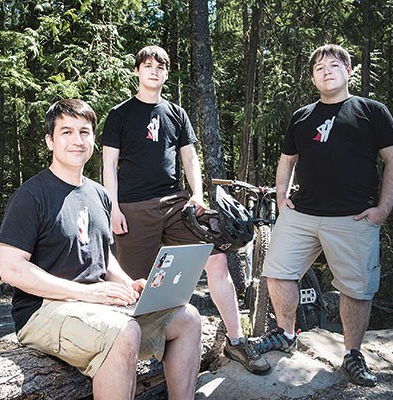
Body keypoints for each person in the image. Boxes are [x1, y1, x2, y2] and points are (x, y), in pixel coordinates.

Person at [0, 99, 202, 400]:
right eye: (66, 132)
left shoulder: (99, 195)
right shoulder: (31, 195)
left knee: (188, 318)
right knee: (124, 332)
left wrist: (129, 285)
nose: (77, 140)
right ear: (50, 141)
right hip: (43, 311)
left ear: (94, 139)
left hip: (94, 307)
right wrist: (86, 293)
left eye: (84, 131)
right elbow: (12, 268)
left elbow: (104, 259)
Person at [101, 45, 269, 375]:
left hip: (176, 203)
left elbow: (190, 159)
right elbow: (109, 165)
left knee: (216, 257)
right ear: (137, 71)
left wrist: (197, 195)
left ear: (166, 73)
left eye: (160, 67)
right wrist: (113, 208)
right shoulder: (120, 114)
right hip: (133, 208)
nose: (153, 71)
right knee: (135, 285)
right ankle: (132, 359)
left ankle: (236, 341)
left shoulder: (176, 113)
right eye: (147, 65)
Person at [255, 44, 393, 387]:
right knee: (277, 272)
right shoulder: (302, 116)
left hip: (354, 218)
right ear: (312, 78)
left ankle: (352, 354)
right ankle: (286, 333)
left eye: (334, 65)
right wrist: (281, 197)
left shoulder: (372, 111)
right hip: (302, 213)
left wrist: (383, 209)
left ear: (348, 71)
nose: (326, 71)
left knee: (356, 290)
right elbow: (286, 160)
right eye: (319, 67)